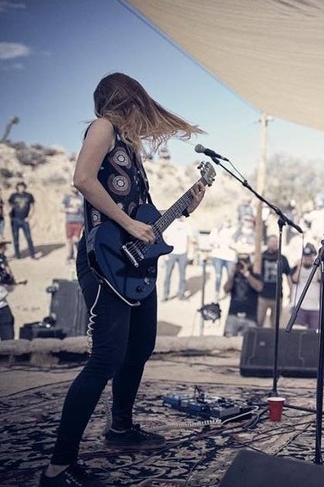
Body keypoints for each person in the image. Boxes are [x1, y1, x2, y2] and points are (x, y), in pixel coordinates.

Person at [39, 72, 205, 487]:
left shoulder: (129, 146)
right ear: (127, 100)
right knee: (105, 359)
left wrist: (184, 208)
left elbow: (143, 216)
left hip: (134, 264)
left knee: (140, 346)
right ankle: (57, 468)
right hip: (105, 261)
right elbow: (82, 180)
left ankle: (120, 428)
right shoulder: (103, 128)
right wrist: (129, 222)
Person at [223, 253, 263, 336]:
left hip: (250, 315)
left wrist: (247, 274)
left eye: (245, 262)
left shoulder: (254, 273)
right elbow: (226, 289)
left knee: (250, 341)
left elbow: (259, 287)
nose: (242, 265)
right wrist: (231, 274)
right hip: (234, 313)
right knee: (228, 339)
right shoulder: (234, 275)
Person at [257, 235, 291, 327]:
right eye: (272, 241)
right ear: (267, 243)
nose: (274, 244)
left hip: (277, 295)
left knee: (275, 323)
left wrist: (291, 291)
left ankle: (273, 341)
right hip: (263, 295)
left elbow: (288, 275)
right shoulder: (262, 257)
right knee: (259, 321)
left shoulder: (282, 258)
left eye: (276, 241)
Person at [290, 243, 321, 330]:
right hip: (299, 305)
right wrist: (299, 266)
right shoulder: (297, 267)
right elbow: (295, 279)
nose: (308, 258)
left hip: (314, 306)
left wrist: (317, 265)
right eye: (306, 256)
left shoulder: (318, 268)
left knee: (314, 332)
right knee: (297, 330)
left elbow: (320, 278)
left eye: (310, 256)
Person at [161, 216, 192, 301]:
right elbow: (165, 238)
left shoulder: (186, 225)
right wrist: (165, 254)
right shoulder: (170, 225)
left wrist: (188, 252)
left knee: (182, 275)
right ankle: (165, 294)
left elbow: (189, 239)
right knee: (168, 275)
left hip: (183, 253)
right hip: (171, 253)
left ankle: (181, 294)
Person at [208, 218, 237, 299]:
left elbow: (235, 242)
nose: (227, 223)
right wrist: (215, 243)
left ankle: (229, 292)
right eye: (225, 221)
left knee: (230, 276)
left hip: (229, 256)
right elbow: (210, 242)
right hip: (218, 256)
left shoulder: (233, 230)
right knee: (218, 275)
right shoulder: (215, 230)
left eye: (228, 221)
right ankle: (216, 293)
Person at [8, 181, 36, 259]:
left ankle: (32, 255)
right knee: (16, 238)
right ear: (17, 188)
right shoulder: (13, 196)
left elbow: (33, 207)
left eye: (22, 187)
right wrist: (10, 216)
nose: (21, 188)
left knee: (28, 237)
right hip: (15, 220)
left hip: (24, 220)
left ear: (24, 187)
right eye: (19, 187)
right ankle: (18, 255)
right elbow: (9, 206)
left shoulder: (29, 196)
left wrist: (29, 217)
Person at [61, 184, 85, 262]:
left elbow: (84, 210)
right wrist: (69, 210)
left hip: (79, 221)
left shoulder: (82, 198)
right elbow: (61, 208)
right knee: (69, 240)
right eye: (73, 187)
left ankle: (76, 256)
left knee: (76, 239)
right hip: (70, 221)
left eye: (75, 186)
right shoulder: (67, 197)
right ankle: (69, 255)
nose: (74, 188)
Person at [0, 239, 16, 341]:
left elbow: (11, 286)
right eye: (2, 246)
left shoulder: (2, 262)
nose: (5, 249)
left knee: (9, 343)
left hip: (2, 305)